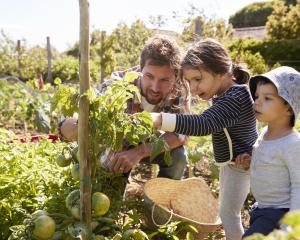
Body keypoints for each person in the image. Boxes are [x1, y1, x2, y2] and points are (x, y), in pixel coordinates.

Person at [150, 38, 258, 240]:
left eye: (197, 79)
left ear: (221, 72)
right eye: (189, 81)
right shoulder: (230, 93)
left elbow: (203, 124)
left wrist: (158, 119)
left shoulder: (235, 98)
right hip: (236, 163)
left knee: (230, 214)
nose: (192, 87)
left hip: (243, 165)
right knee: (230, 211)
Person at [58, 35, 190, 180]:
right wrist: (71, 126)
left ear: (175, 75)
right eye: (149, 76)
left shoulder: (180, 88)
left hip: (150, 142)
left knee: (178, 157)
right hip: (119, 143)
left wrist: (139, 152)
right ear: (140, 69)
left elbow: (181, 134)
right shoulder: (119, 86)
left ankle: (159, 200)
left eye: (164, 80)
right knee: (110, 178)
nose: (155, 87)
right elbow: (98, 131)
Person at [237, 66, 300, 238]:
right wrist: (251, 163)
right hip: (262, 209)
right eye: (257, 96)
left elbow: (298, 185)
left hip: (280, 213)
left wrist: (290, 228)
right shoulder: (265, 133)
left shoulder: (292, 144)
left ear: (288, 108)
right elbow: (272, 166)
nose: (257, 102)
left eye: (267, 98)